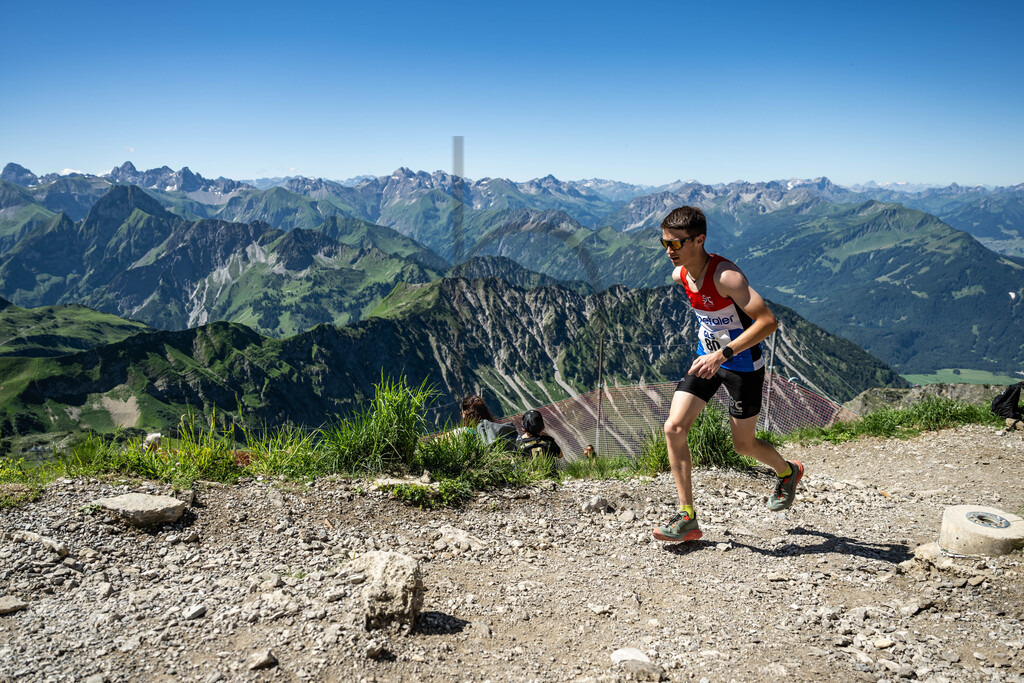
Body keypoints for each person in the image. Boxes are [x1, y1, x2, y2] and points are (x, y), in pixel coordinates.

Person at [655, 206, 804, 543]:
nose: (668, 251)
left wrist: (723, 353)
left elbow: (768, 322)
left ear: (699, 240)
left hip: (741, 367)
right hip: (705, 360)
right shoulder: (681, 276)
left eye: (676, 244)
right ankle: (687, 517)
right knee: (674, 427)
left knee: (743, 444)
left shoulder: (726, 277)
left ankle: (788, 472)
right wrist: (712, 352)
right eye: (664, 243)